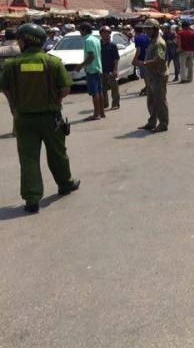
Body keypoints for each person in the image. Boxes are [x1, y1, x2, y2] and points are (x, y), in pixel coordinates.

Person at [0, 23, 80, 213]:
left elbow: (5, 88)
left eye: (20, 40)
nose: (18, 43)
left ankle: (32, 199)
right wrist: (55, 100)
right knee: (58, 154)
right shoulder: (53, 62)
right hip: (51, 119)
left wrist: (14, 106)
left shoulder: (12, 64)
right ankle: (65, 184)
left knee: (28, 159)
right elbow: (65, 88)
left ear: (26, 41)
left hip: (24, 119)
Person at [134, 19, 169, 132]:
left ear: (155, 29)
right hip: (151, 75)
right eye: (145, 29)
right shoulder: (152, 41)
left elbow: (160, 59)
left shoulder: (159, 43)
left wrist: (144, 63)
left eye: (149, 29)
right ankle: (152, 122)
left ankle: (163, 123)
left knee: (159, 101)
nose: (146, 31)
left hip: (158, 75)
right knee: (151, 101)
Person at [77, 22, 104, 120]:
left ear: (84, 30)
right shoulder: (96, 39)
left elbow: (91, 56)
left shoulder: (88, 40)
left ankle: (96, 114)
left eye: (80, 31)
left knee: (94, 93)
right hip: (98, 68)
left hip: (91, 69)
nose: (80, 33)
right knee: (99, 91)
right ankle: (101, 112)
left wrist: (80, 65)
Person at [99, 26, 120, 111]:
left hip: (111, 70)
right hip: (101, 70)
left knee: (114, 88)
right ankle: (104, 104)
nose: (105, 35)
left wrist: (115, 70)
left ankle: (115, 104)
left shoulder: (113, 45)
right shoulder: (98, 44)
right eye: (103, 33)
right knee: (103, 89)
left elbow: (116, 59)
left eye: (107, 33)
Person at [133, 24, 150, 91]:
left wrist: (134, 59)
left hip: (142, 59)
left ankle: (148, 88)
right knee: (148, 73)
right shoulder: (146, 36)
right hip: (148, 57)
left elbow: (138, 50)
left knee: (145, 75)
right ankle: (148, 86)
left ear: (135, 31)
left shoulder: (137, 38)